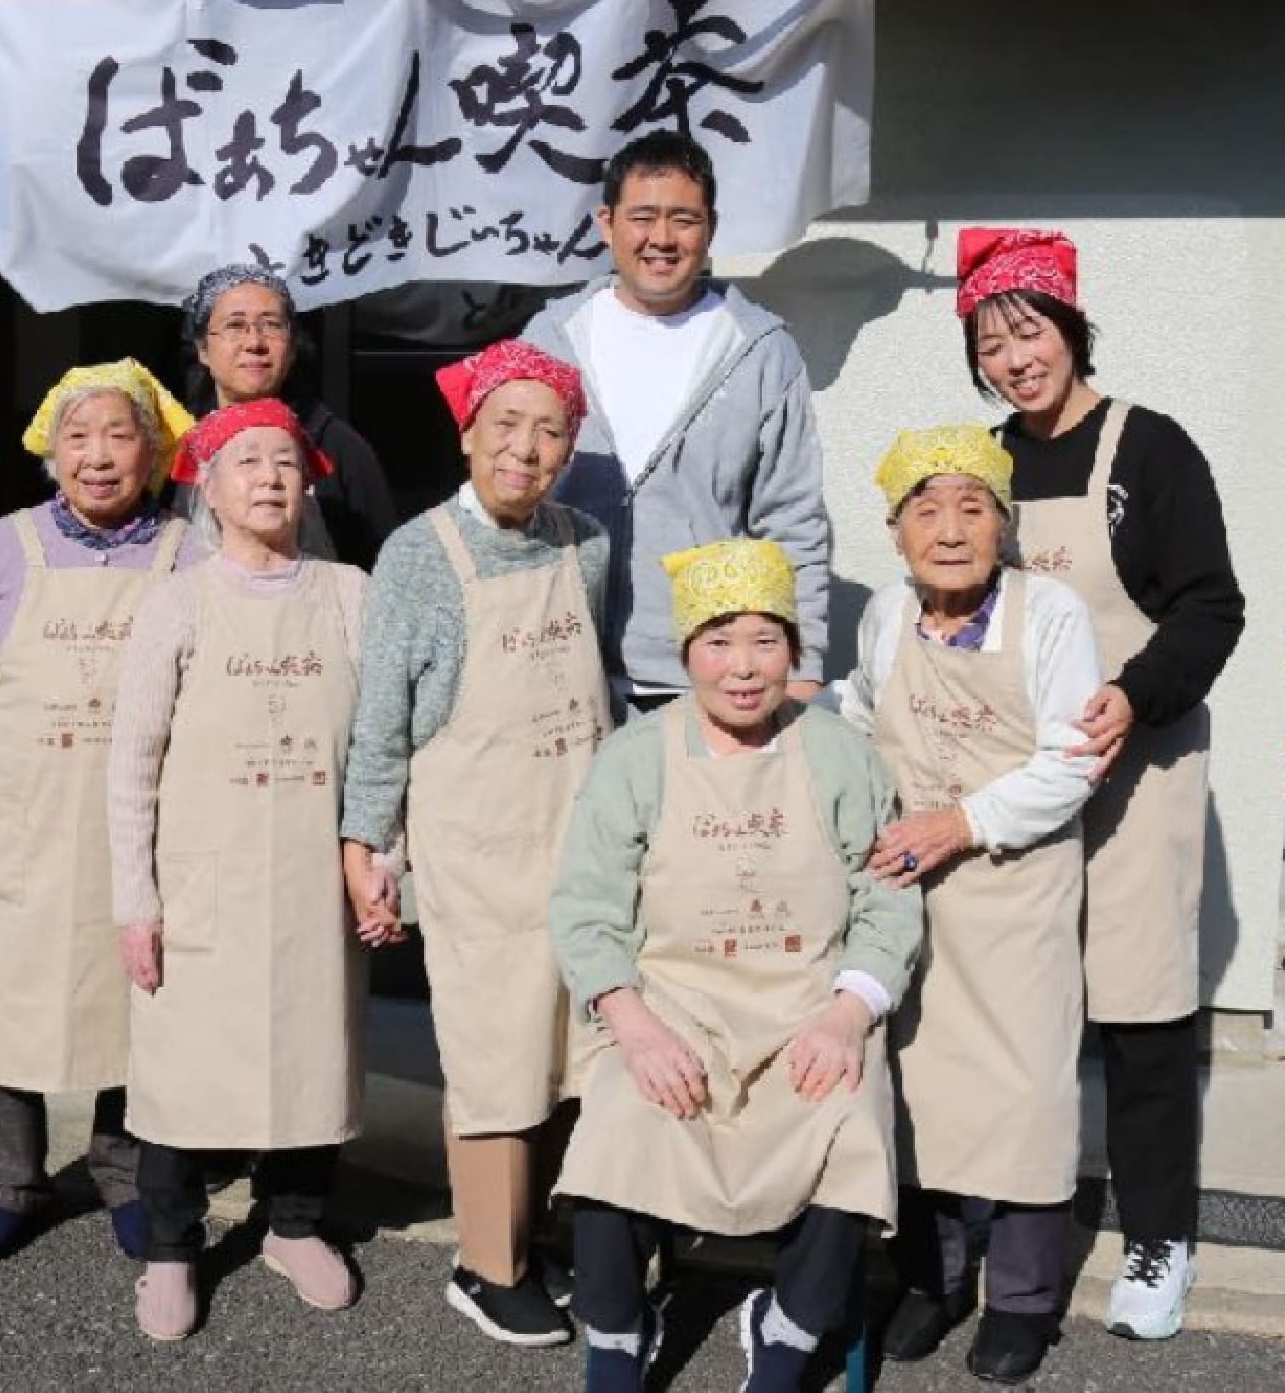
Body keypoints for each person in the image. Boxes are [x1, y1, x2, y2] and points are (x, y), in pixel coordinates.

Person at [954, 228, 1246, 1342]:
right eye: (991, 340)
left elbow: (1211, 604)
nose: (1014, 357)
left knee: (1140, 1015)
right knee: (1004, 1006)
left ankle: (1158, 1239)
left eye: (1029, 330)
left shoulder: (1150, 450)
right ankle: (987, 1214)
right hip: (1020, 776)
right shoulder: (980, 462)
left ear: (1073, 329)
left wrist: (1135, 692)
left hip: (1136, 770)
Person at [550, 538, 921, 1393]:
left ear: (794, 650)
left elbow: (889, 900)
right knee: (615, 1127)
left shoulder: (840, 756)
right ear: (686, 656)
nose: (744, 668)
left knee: (852, 1127)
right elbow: (584, 906)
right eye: (719, 643)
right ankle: (615, 1334)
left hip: (805, 1011)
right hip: (671, 1010)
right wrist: (635, 1028)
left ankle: (786, 1335)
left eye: (765, 640)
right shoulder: (636, 757)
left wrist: (847, 1013)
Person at [339, 338, 610, 1347]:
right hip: (479, 848)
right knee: (497, 1052)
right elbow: (383, 722)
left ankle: (547, 1233)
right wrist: (368, 845)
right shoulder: (421, 553)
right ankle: (486, 1265)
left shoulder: (584, 543)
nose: (526, 449)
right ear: (466, 431)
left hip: (579, 836)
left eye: (550, 431)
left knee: (577, 1043)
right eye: (507, 425)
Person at [0, 357, 198, 1272]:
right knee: (5, 1000)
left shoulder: (186, 553)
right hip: (20, 828)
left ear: (154, 454)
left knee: (135, 1001)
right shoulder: (6, 546)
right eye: (79, 437)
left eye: (121, 436)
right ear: (52, 451)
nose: (99, 456)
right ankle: (11, 1182)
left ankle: (121, 1172)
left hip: (141, 833)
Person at [836, 427, 1103, 1385]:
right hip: (910, 888)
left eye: (972, 507)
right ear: (896, 530)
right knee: (918, 1087)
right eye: (925, 509)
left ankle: (1024, 1298)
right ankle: (935, 1279)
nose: (949, 530)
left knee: (1025, 1088)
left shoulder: (1051, 613)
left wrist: (962, 821)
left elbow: (1073, 759)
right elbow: (864, 715)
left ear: (1004, 523)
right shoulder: (885, 614)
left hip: (1014, 883)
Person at [105, 398, 371, 1342]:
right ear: (206, 486)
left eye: (286, 463)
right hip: (201, 882)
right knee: (180, 1077)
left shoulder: (348, 594)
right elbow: (132, 763)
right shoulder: (177, 598)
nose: (269, 477)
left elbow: (384, 746)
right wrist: (134, 902)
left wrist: (384, 862)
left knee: (312, 1060)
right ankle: (172, 1249)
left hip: (312, 881)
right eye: (247, 462)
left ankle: (294, 1224)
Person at [520, 131, 832, 716]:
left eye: (683, 219)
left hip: (708, 672)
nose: (661, 239)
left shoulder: (759, 349)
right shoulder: (550, 339)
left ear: (710, 227)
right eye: (643, 217)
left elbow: (792, 519)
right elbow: (501, 506)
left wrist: (803, 662)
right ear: (607, 223)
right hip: (560, 666)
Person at [173, 262, 398, 569]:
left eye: (271, 325)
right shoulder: (178, 446)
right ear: (203, 350)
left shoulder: (340, 449)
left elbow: (383, 563)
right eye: (235, 326)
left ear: (291, 349)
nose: (254, 343)